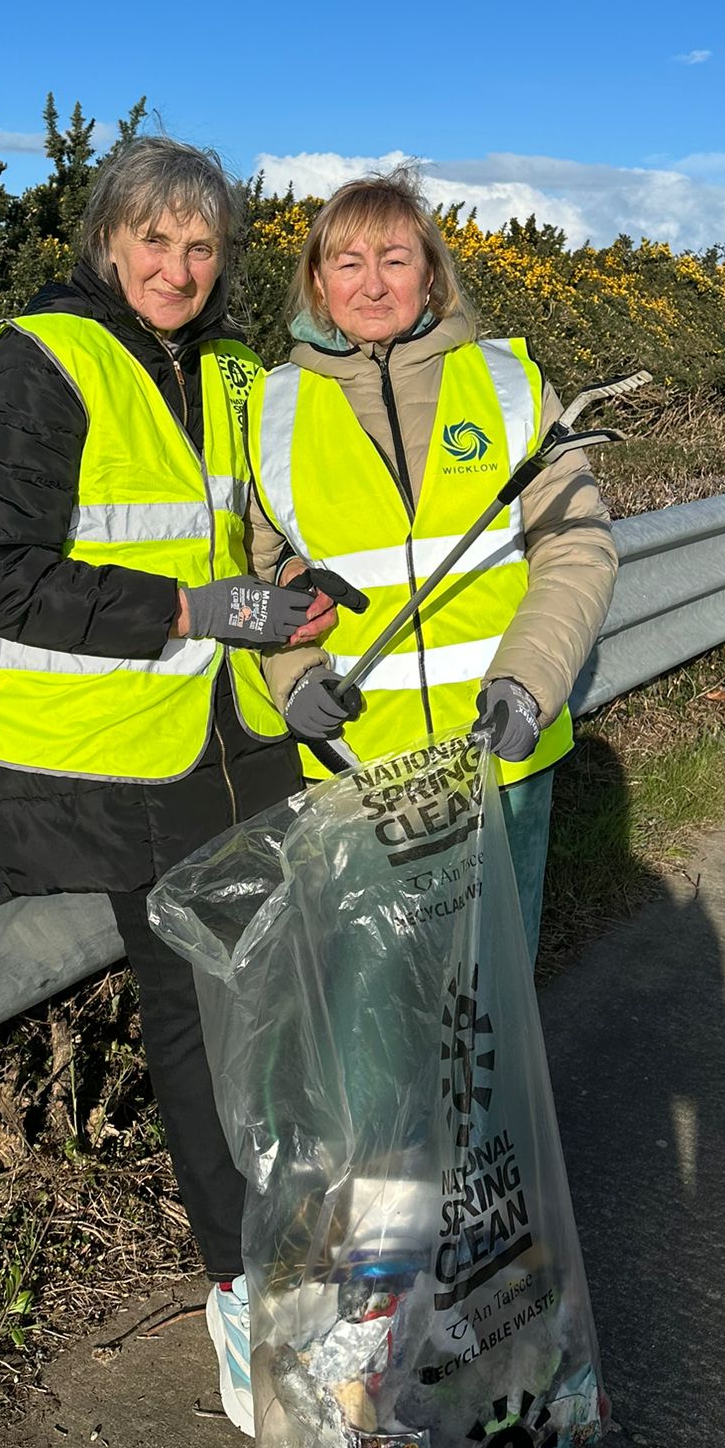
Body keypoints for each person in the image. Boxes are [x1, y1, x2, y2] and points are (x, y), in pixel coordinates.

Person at [0, 135, 335, 1442]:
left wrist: (293, 599)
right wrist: (193, 603)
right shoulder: (43, 360)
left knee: (278, 1009)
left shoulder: (233, 374)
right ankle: (244, 1302)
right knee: (202, 1021)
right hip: (122, 760)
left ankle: (305, 1266)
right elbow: (2, 575)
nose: (175, 266)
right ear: (109, 241)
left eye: (201, 244)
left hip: (240, 743)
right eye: (152, 239)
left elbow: (264, 533)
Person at [246, 168, 618, 963]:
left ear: (431, 275)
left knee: (489, 1018)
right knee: (373, 1019)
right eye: (348, 262)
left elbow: (577, 543)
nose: (372, 284)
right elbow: (267, 577)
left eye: (395, 259)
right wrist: (296, 678)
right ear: (317, 279)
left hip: (499, 762)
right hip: (356, 777)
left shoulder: (509, 384)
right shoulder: (270, 409)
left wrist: (531, 683)